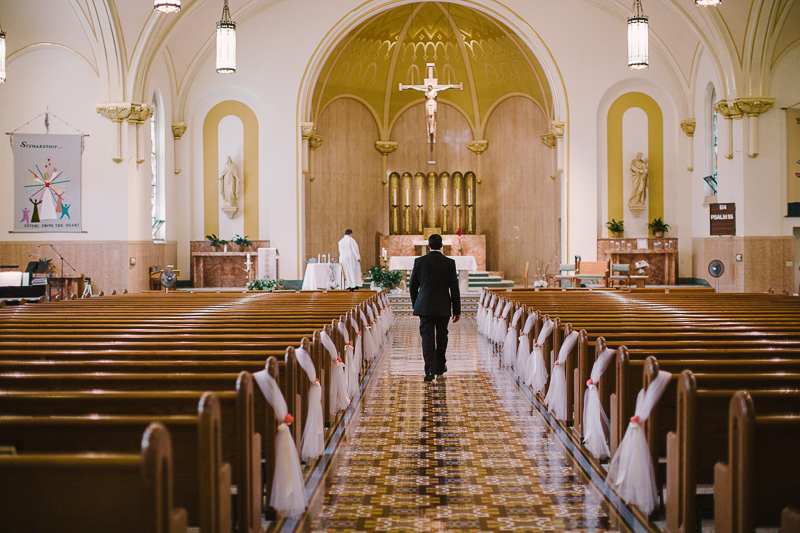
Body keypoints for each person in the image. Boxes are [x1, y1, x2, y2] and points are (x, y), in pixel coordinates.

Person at [409, 233, 461, 382]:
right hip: (443, 306)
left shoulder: (420, 261)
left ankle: (429, 371)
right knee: (442, 336)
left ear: (428, 246)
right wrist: (456, 310)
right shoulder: (449, 263)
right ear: (442, 246)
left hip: (424, 306)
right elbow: (454, 288)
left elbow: (413, 286)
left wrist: (416, 305)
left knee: (427, 338)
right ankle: (440, 366)